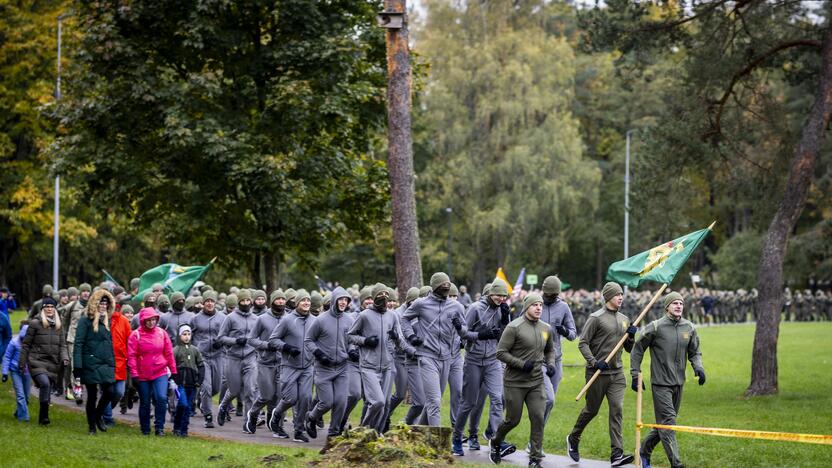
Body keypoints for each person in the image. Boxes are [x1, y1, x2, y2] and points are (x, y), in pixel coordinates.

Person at [631, 291, 705, 468]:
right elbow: (637, 348)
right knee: (669, 423)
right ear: (667, 307)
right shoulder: (656, 327)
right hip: (661, 384)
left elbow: (695, 352)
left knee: (665, 424)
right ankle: (676, 463)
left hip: (679, 383)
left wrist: (699, 367)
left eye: (681, 303)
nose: (679, 305)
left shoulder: (689, 327)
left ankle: (643, 452)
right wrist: (635, 374)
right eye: (675, 303)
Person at [567, 282, 636, 467]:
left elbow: (628, 349)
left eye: (622, 294)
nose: (621, 297)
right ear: (608, 297)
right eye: (617, 295)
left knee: (617, 409)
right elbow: (583, 343)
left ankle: (616, 454)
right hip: (597, 373)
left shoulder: (624, 318)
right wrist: (594, 362)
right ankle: (573, 437)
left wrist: (631, 336)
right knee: (592, 410)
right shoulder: (595, 318)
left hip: (617, 374)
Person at [489, 293, 555, 467]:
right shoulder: (514, 327)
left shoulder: (546, 328)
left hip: (536, 381)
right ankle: (496, 441)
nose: (539, 308)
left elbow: (550, 350)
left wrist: (551, 364)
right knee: (513, 419)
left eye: (541, 305)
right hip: (515, 382)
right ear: (527, 307)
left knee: (538, 418)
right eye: (535, 305)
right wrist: (520, 364)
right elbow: (500, 353)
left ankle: (534, 458)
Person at [400, 272, 468, 427]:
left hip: (447, 358)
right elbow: (404, 318)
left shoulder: (456, 306)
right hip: (426, 357)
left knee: (432, 402)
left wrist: (460, 330)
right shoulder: (421, 304)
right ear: (435, 287)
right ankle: (438, 444)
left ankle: (418, 431)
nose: (446, 290)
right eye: (443, 286)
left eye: (448, 286)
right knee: (435, 401)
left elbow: (465, 330)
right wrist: (411, 336)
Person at [452, 279, 511, 456]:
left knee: (497, 398)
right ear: (490, 294)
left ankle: (496, 437)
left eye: (504, 296)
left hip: (493, 360)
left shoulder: (502, 308)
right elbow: (462, 332)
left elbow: (504, 336)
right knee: (469, 402)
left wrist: (506, 319)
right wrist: (481, 335)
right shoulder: (476, 308)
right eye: (498, 295)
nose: (501, 298)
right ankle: (457, 437)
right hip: (474, 360)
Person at [347, 283, 414, 433]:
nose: (384, 300)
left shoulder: (393, 316)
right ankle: (363, 429)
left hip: (387, 366)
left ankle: (375, 434)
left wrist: (410, 349)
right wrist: (365, 341)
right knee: (377, 402)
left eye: (386, 297)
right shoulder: (364, 316)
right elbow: (350, 336)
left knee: (385, 405)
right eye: (380, 297)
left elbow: (401, 340)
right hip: (368, 366)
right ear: (374, 298)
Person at [304, 286, 353, 438]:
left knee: (341, 402)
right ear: (334, 301)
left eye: (346, 300)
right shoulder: (320, 320)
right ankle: (311, 418)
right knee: (327, 402)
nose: (343, 302)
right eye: (341, 299)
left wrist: (351, 350)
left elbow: (351, 339)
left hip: (342, 367)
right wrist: (319, 354)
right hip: (324, 368)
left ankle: (333, 433)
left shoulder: (350, 320)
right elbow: (308, 340)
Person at [270, 289, 315, 442]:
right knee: (290, 399)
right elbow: (273, 340)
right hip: (289, 365)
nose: (306, 303)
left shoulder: (314, 321)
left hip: (308, 366)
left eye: (308, 300)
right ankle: (277, 413)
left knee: (306, 398)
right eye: (303, 300)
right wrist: (287, 347)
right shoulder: (287, 320)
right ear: (297, 303)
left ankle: (299, 430)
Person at [73, 289, 118, 434]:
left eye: (106, 303)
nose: (103, 306)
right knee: (92, 396)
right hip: (90, 362)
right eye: (101, 303)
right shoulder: (85, 320)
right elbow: (78, 343)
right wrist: (78, 367)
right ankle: (92, 426)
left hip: (106, 362)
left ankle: (98, 415)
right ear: (95, 303)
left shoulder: (109, 320)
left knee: (111, 392)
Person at [128, 307, 177, 435]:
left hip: (160, 371)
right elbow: (131, 356)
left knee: (161, 398)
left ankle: (159, 427)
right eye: (148, 320)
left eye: (153, 319)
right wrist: (134, 374)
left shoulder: (161, 333)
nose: (151, 322)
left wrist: (174, 371)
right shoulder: (135, 335)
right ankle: (145, 428)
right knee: (145, 401)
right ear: (143, 320)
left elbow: (169, 353)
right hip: (142, 374)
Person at [20, 296, 69, 425]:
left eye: (52, 307)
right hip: (36, 360)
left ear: (55, 309)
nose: (49, 309)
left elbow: (63, 345)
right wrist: (22, 363)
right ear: (42, 308)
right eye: (47, 307)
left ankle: (43, 417)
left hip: (53, 363)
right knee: (45, 384)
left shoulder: (59, 326)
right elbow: (26, 345)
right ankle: (44, 416)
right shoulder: (35, 323)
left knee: (47, 387)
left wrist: (65, 358)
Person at [244, 289, 286, 435]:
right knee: (267, 396)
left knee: (280, 396)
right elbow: (251, 340)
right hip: (265, 362)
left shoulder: (289, 318)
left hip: (284, 363)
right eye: (278, 299)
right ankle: (253, 414)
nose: (281, 301)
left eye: (283, 299)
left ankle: (276, 425)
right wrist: (267, 345)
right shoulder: (262, 319)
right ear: (272, 301)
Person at [216, 289, 258, 428]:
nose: (246, 303)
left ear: (251, 301)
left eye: (248, 301)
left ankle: (249, 422)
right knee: (234, 390)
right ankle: (223, 406)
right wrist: (235, 341)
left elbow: (259, 338)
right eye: (243, 301)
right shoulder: (230, 318)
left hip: (250, 357)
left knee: (250, 390)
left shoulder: (256, 319)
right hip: (233, 357)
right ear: (239, 302)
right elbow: (221, 338)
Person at [539, 275, 577, 427]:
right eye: (548, 295)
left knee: (550, 401)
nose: (551, 297)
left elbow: (573, 334)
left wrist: (565, 331)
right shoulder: (535, 303)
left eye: (554, 295)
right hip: (537, 358)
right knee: (547, 399)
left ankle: (536, 435)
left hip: (556, 359)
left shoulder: (563, 307)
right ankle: (536, 436)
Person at [191, 290, 226, 428]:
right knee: (206, 386)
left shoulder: (222, 318)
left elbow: (227, 334)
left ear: (215, 302)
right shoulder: (195, 319)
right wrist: (194, 350)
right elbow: (187, 335)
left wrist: (221, 342)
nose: (210, 303)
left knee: (216, 388)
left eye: (212, 301)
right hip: (202, 356)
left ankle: (201, 400)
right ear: (203, 303)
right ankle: (208, 416)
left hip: (218, 356)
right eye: (207, 301)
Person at [103, 296, 132, 425]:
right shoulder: (101, 320)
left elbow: (129, 341)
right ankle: (108, 417)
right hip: (104, 362)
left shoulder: (124, 321)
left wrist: (129, 358)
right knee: (108, 390)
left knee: (119, 392)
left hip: (120, 362)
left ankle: (104, 408)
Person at [172, 324, 204, 437]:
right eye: (184, 334)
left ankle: (183, 430)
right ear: (179, 335)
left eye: (189, 334)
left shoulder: (195, 350)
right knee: (183, 404)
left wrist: (199, 380)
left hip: (192, 385)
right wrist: (173, 381)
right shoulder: (175, 350)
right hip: (178, 385)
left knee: (188, 407)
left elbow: (201, 365)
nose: (187, 337)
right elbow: (171, 367)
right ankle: (176, 426)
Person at [2, 321, 30, 421]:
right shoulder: (14, 342)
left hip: (27, 372)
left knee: (26, 397)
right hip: (15, 371)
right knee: (20, 395)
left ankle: (18, 412)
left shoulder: (32, 344)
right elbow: (7, 357)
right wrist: (5, 373)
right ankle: (24, 417)